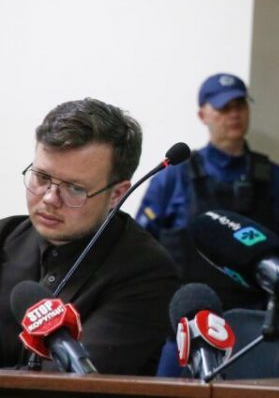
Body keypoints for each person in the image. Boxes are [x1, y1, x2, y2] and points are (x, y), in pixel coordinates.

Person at [0, 98, 178, 375]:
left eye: (74, 188)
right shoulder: (4, 236)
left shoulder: (147, 271)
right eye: (42, 177)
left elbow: (66, 383)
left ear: (117, 194)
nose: (49, 198)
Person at [136, 72, 279, 312]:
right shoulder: (175, 175)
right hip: (187, 316)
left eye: (240, 105)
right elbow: (143, 245)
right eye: (224, 108)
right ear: (203, 115)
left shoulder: (273, 176)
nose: (234, 114)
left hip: (252, 317)